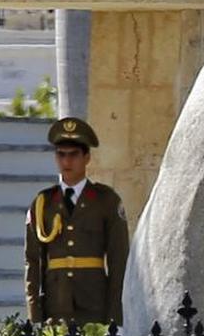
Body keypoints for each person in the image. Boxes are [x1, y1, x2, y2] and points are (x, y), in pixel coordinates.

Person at [24, 117, 129, 325]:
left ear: (87, 157)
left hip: (94, 305)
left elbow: (119, 260)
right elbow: (33, 262)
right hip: (55, 306)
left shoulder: (105, 200)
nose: (66, 162)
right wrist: (35, 316)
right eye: (61, 155)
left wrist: (114, 316)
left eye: (73, 155)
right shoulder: (43, 202)